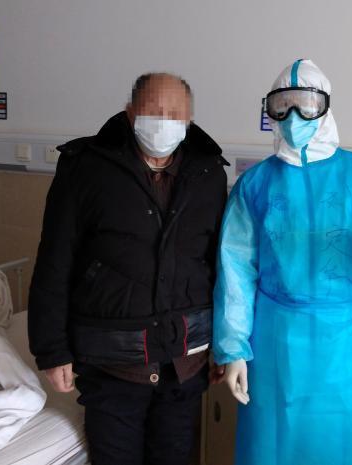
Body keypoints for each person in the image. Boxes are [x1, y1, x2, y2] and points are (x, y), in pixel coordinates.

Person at [212, 59, 352, 465]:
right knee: (272, 444)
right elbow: (235, 270)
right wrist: (233, 349)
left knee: (343, 444)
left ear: (325, 107)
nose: (294, 116)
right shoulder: (256, 184)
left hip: (345, 343)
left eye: (306, 104)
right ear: (269, 112)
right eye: (282, 106)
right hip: (274, 339)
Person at [28, 72, 228, 465]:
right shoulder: (85, 167)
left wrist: (225, 344)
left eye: (175, 114)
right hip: (111, 361)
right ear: (130, 111)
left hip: (185, 361)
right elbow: (54, 260)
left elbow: (220, 266)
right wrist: (51, 349)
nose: (164, 121)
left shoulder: (208, 173)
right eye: (154, 110)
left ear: (189, 121)